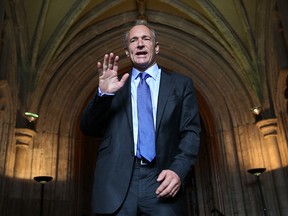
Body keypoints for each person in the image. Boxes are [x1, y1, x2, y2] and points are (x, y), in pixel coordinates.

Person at [80, 20, 201, 216]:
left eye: (146, 38)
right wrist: (104, 95)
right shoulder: (114, 86)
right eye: (134, 40)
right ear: (127, 51)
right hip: (116, 184)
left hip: (161, 179)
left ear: (156, 47)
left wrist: (178, 170)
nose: (140, 43)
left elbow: (191, 133)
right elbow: (88, 127)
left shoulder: (181, 84)